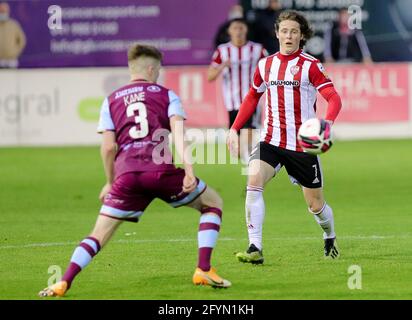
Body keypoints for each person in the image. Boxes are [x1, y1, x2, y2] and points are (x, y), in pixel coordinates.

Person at [39, 44, 231, 297]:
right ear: (151, 68)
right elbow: (179, 135)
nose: (159, 73)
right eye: (158, 69)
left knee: (99, 234)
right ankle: (203, 269)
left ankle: (63, 282)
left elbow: (108, 148)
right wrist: (188, 170)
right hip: (161, 172)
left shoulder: (111, 100)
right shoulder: (166, 95)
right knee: (212, 203)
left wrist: (109, 182)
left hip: (127, 176)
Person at [227, 10, 342, 264]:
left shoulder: (311, 65)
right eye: (285, 31)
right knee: (253, 180)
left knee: (316, 206)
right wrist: (235, 128)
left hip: (303, 146)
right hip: (271, 140)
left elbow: (333, 98)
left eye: (294, 32)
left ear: (302, 36)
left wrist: (327, 124)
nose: (289, 36)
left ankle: (330, 235)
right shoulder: (265, 65)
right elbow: (252, 97)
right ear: (277, 33)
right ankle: (255, 247)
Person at [208, 18, 268, 163]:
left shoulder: (258, 49)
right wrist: (222, 66)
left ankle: (250, 164)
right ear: (229, 31)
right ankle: (247, 158)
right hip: (231, 102)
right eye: (235, 28)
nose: (238, 31)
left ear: (246, 30)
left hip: (252, 98)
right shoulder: (222, 51)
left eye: (241, 28)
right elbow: (210, 76)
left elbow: (271, 68)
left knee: (248, 131)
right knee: (237, 150)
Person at [0, 2, 26, 68]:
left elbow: (22, 41)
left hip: (11, 60)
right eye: (1, 11)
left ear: (8, 11)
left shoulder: (13, 25)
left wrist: (15, 52)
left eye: (4, 11)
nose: (3, 13)